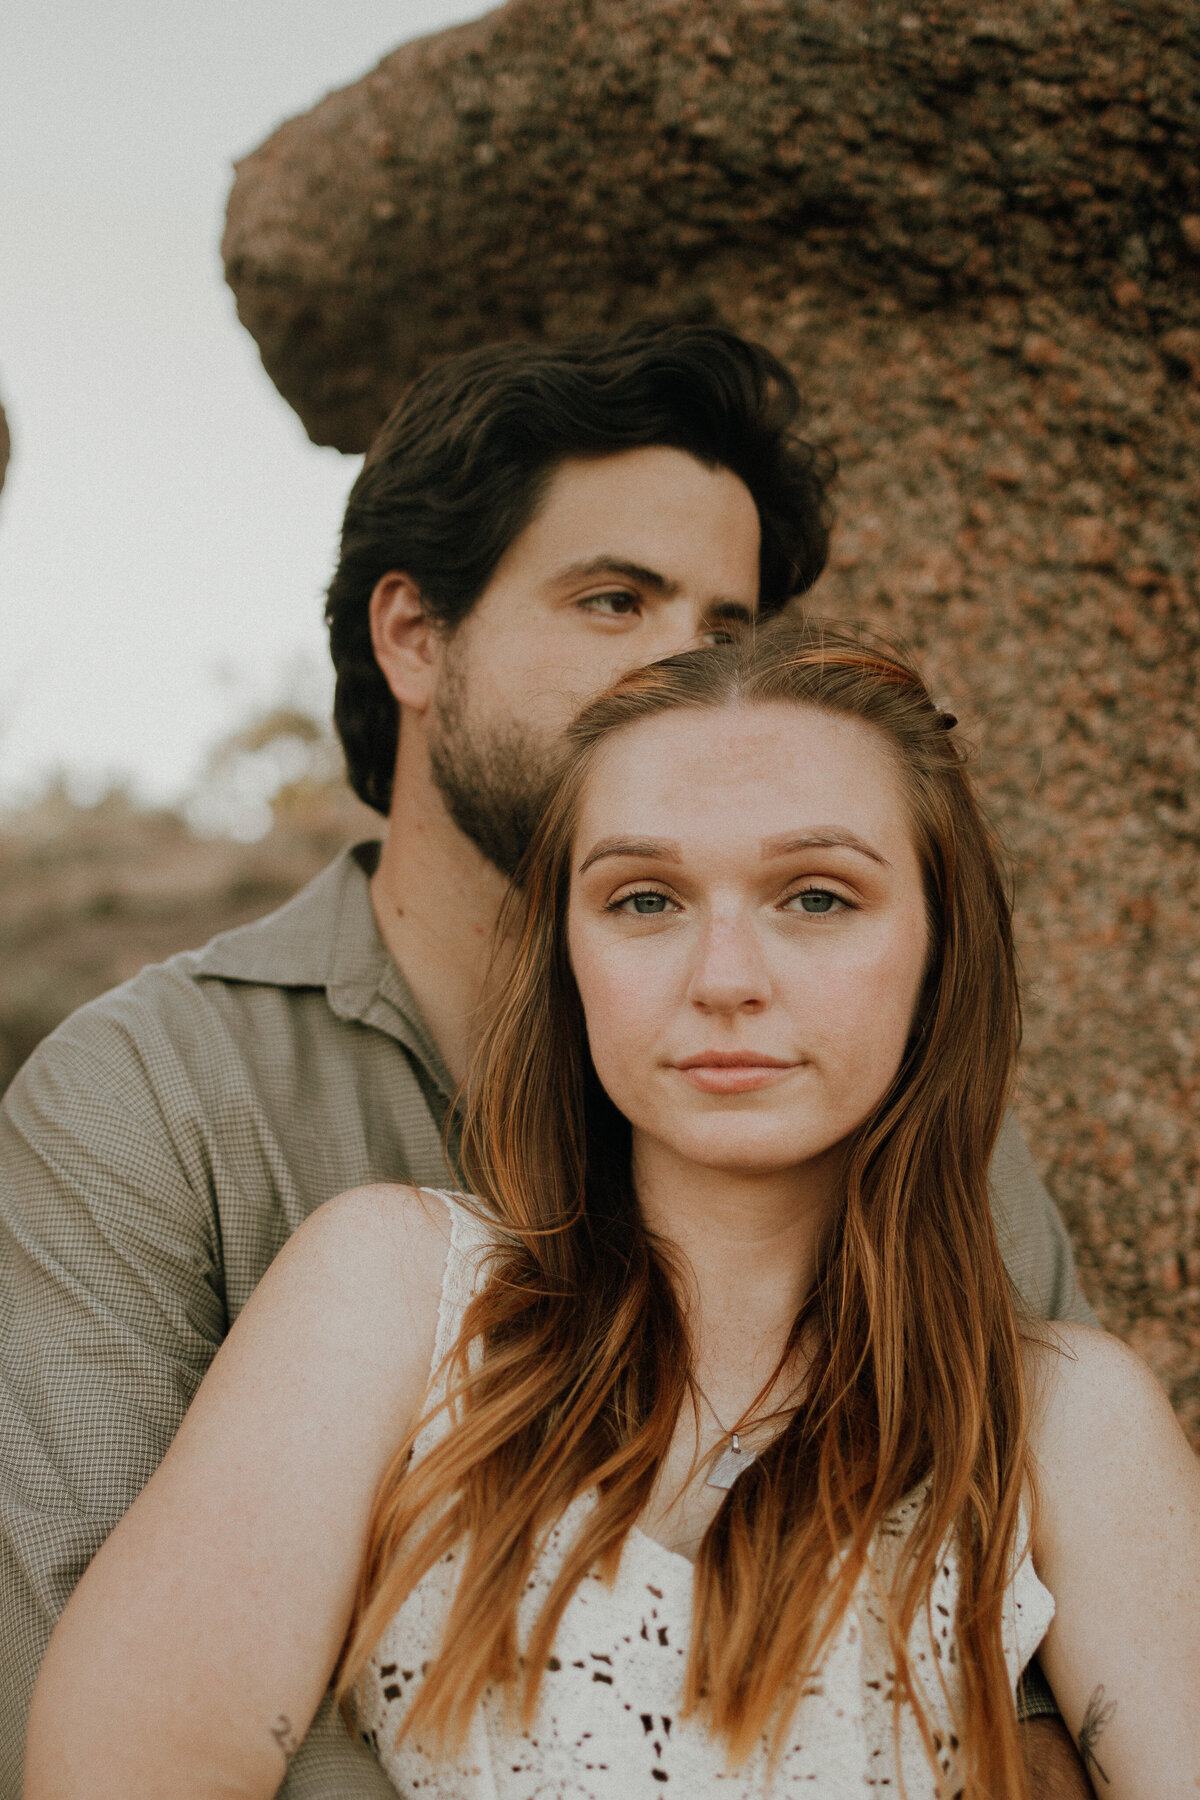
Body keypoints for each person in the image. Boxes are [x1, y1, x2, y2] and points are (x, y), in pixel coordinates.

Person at [0, 326, 1092, 1797]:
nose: (678, 669)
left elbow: (1044, 1666)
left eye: (723, 625)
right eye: (613, 599)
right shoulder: (147, 1095)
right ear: (416, 638)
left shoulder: (881, 1105)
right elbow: (92, 1704)